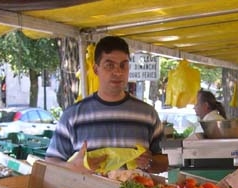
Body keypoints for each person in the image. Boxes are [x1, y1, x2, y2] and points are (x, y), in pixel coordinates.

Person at [46, 36, 163, 171]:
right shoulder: (73, 116)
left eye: (123, 65)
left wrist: (151, 162)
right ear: (96, 69)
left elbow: (165, 161)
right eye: (109, 65)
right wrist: (72, 167)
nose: (118, 72)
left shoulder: (147, 115)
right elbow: (50, 162)